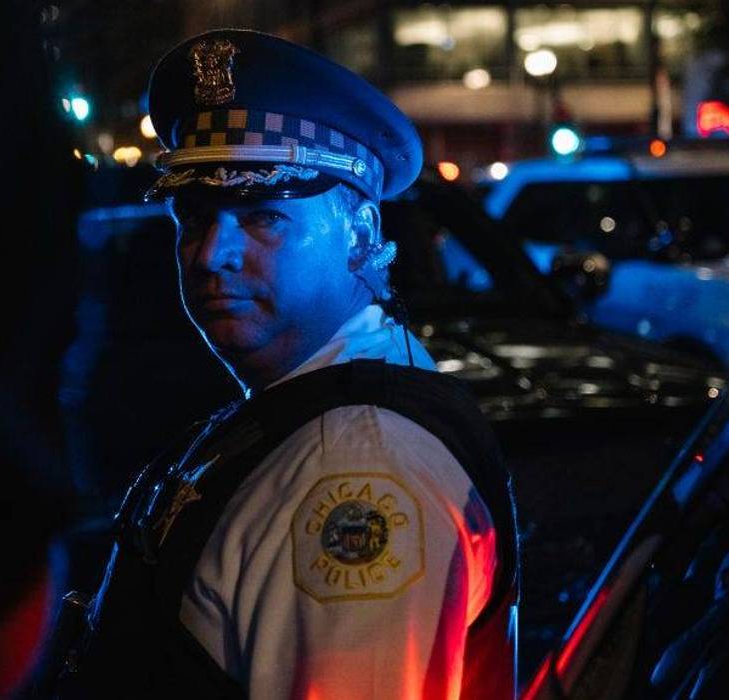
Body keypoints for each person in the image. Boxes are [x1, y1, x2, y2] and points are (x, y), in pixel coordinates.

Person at [54, 29, 519, 699]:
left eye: (262, 217)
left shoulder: (355, 464)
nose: (212, 253)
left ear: (359, 232)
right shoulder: (300, 412)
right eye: (193, 216)